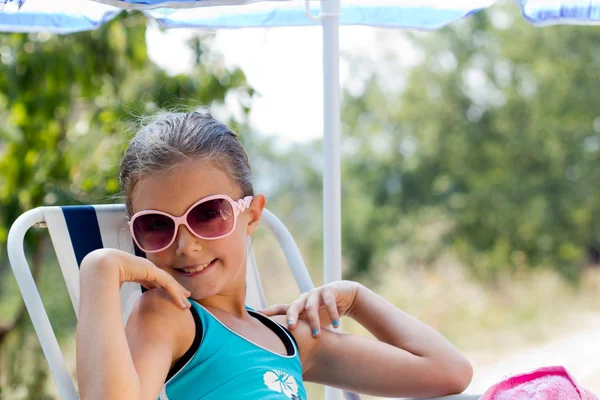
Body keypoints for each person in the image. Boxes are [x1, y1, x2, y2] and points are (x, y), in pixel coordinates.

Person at [76, 111, 473, 400]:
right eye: (156, 225)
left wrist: (355, 298)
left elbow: (448, 372)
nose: (186, 245)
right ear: (137, 235)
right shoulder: (168, 317)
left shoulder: (289, 334)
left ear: (252, 215)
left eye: (209, 214)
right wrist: (99, 271)